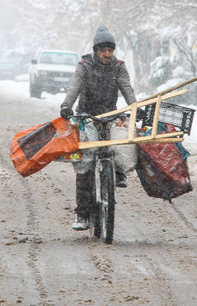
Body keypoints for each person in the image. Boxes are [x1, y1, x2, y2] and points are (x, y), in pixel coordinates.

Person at [60, 25, 140, 231]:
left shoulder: (119, 67)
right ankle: (82, 214)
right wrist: (66, 106)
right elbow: (74, 87)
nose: (107, 54)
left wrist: (135, 107)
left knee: (122, 141)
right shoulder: (84, 65)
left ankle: (118, 173)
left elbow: (127, 89)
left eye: (110, 50)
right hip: (86, 116)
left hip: (110, 115)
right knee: (85, 162)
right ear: (96, 50)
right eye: (103, 50)